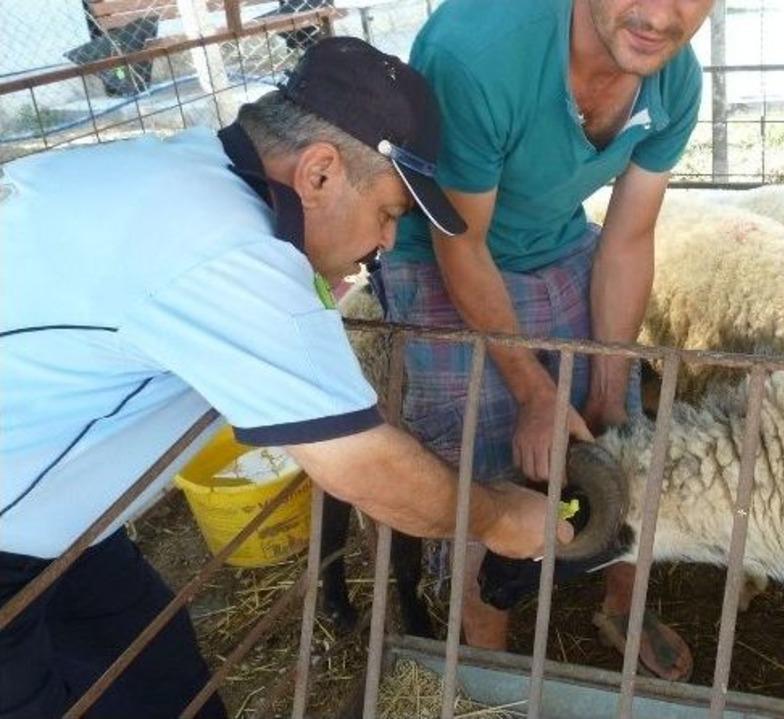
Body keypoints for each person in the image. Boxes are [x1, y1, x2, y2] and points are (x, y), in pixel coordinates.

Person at [0, 37, 570, 718]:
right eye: (389, 213)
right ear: (320, 173)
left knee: (164, 687)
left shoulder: (192, 174)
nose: (388, 241)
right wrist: (503, 516)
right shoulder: (226, 249)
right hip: (15, 543)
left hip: (68, 535)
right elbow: (365, 467)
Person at [379, 0, 711, 681]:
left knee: (620, 446)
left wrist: (611, 392)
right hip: (445, 255)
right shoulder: (479, 58)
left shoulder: (675, 78)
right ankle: (490, 660)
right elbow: (460, 240)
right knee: (487, 472)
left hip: (559, 241)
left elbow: (627, 237)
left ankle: (623, 605)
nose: (657, 14)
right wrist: (535, 391)